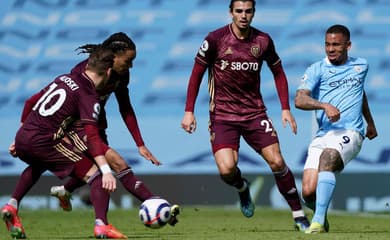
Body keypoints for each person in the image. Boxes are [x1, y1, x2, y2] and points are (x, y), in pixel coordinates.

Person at [10, 32, 180, 225]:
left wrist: (140, 144)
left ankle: (61, 192)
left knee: (94, 166)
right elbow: (55, 102)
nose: (130, 66)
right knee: (116, 163)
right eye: (128, 60)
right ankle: (154, 206)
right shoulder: (85, 72)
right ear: (113, 57)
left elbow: (125, 107)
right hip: (78, 126)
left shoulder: (121, 76)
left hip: (95, 123)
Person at [181, 0, 309, 231]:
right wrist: (189, 111)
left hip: (254, 114)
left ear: (253, 13)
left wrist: (285, 108)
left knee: (278, 161)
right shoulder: (215, 39)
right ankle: (242, 188)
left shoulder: (263, 40)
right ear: (231, 12)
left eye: (248, 11)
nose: (243, 15)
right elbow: (196, 74)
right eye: (239, 11)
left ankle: (299, 215)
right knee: (227, 169)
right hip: (222, 115)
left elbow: (278, 72)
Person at [2, 46, 128, 239]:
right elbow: (92, 136)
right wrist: (105, 170)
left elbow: (29, 103)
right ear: (108, 71)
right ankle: (101, 224)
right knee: (96, 176)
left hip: (23, 136)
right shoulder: (89, 95)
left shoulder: (63, 78)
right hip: (45, 142)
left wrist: (19, 136)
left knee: (38, 165)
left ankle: (12, 205)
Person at [294, 24, 378, 234]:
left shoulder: (361, 65)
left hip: (351, 132)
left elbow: (360, 93)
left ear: (348, 45)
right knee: (307, 192)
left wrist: (370, 122)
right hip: (324, 133)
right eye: (327, 44)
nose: (330, 49)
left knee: (328, 158)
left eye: (336, 45)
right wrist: (324, 105)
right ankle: (319, 212)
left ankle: (318, 222)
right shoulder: (316, 69)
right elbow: (299, 99)